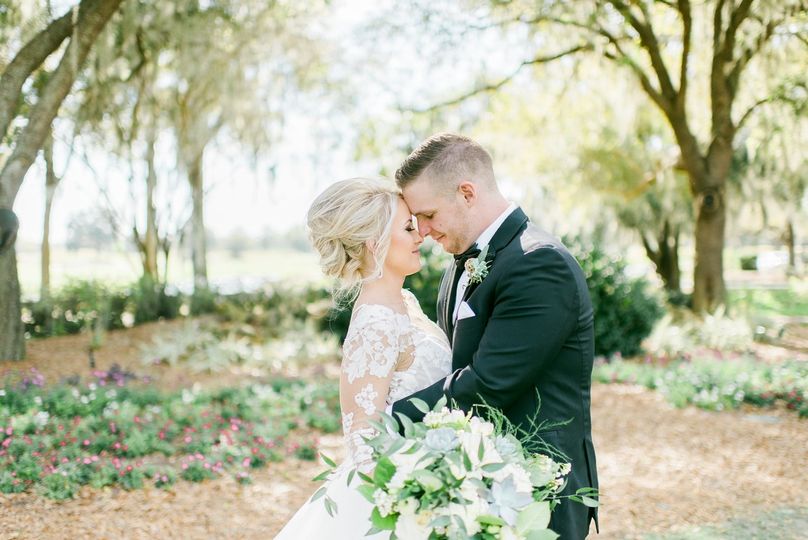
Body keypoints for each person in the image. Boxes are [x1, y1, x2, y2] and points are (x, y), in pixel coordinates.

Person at [390, 133, 599, 539]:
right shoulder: (460, 262)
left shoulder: (539, 264)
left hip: (538, 487)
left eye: (428, 214)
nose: (423, 230)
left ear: (467, 193)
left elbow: (488, 382)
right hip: (474, 484)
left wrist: (390, 417)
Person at [275, 178, 453, 539]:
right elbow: (362, 439)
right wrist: (413, 502)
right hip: (400, 499)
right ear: (375, 243)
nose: (420, 235)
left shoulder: (403, 303)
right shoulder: (376, 322)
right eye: (407, 227)